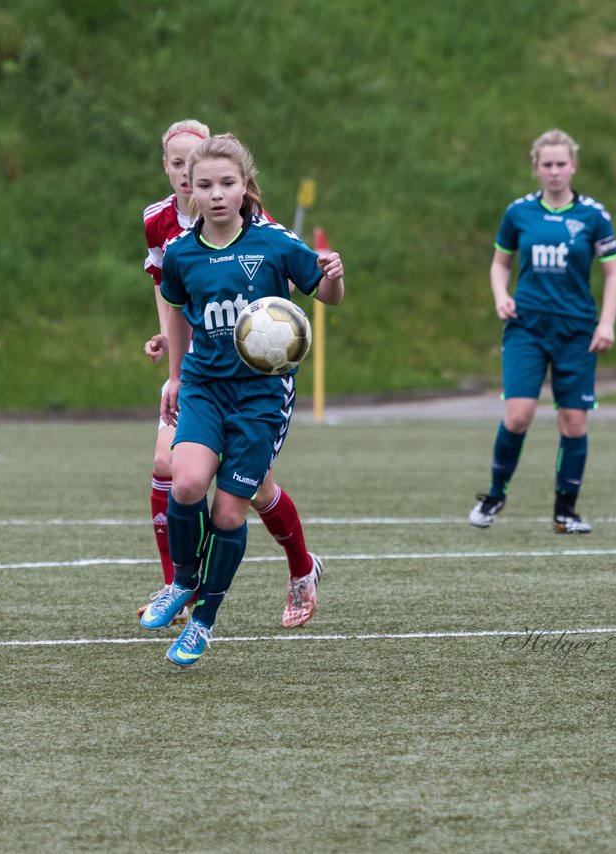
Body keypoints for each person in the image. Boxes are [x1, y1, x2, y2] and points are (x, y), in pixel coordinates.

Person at [141, 133, 345, 666]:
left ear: (245, 188)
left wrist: (334, 279)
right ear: (191, 193)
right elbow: (179, 314)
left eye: (226, 184)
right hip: (206, 388)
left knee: (229, 514)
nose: (214, 194)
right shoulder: (183, 254)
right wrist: (177, 377)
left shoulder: (275, 244)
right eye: (203, 185)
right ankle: (182, 583)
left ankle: (203, 624)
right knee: (184, 481)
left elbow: (324, 295)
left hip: (260, 397)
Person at [469, 129, 616, 534]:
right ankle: (495, 493)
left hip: (576, 331)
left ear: (573, 166)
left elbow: (613, 273)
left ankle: (565, 511)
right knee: (518, 415)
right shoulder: (518, 213)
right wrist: (501, 295)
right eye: (547, 164)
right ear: (536, 168)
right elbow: (501, 263)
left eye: (561, 164)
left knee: (574, 422)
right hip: (527, 328)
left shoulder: (593, 215)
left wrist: (606, 322)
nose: (554, 171)